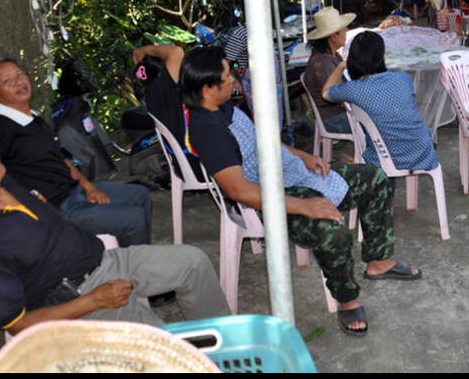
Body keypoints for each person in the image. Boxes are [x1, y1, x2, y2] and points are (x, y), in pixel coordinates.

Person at [179, 46, 422, 337]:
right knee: (332, 228)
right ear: (207, 88)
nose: (233, 79)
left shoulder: (223, 107)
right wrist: (305, 205)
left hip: (290, 174)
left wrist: (303, 156)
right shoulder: (208, 130)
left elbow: (263, 141)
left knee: (375, 178)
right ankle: (347, 300)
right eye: (226, 76)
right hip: (265, 197)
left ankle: (378, 260)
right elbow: (239, 190)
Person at [0, 138, 231, 335]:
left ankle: (221, 343)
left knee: (192, 262)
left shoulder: (4, 183)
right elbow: (16, 324)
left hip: (106, 260)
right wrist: (94, 300)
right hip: (80, 300)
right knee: (167, 351)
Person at [0, 54, 152, 247]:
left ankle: (134, 255)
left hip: (75, 192)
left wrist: (89, 187)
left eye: (19, 74)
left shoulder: (34, 120)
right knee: (133, 219)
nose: (18, 81)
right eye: (7, 81)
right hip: (57, 210)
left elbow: (61, 160)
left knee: (140, 195)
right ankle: (133, 263)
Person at [322, 30, 438, 177]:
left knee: (374, 149)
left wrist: (340, 67)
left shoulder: (354, 89)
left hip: (385, 160)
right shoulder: (403, 78)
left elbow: (325, 93)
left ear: (353, 61)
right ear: (382, 57)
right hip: (423, 153)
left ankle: (384, 186)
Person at [133, 43, 206, 181]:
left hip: (185, 165)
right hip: (199, 165)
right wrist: (143, 50)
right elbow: (176, 51)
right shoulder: (163, 88)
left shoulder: (150, 95)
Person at [302, 6, 356, 135]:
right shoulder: (323, 62)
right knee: (377, 122)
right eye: (344, 30)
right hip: (333, 118)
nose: (346, 33)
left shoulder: (331, 55)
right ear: (334, 36)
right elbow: (340, 100)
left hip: (338, 113)